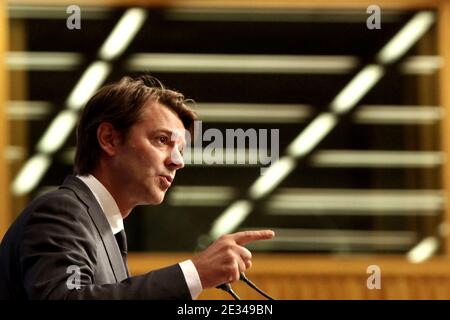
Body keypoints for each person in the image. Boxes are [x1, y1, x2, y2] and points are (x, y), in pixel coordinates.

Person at [0, 75, 274, 299]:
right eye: (162, 140)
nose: (178, 161)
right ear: (109, 139)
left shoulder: (105, 228)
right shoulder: (62, 211)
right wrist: (194, 273)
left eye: (181, 149)